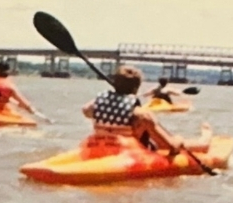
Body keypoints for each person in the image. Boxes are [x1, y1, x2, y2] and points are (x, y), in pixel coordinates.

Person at [82, 66, 211, 154]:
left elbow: (86, 110)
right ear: (136, 88)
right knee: (178, 141)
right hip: (129, 152)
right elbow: (168, 146)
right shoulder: (142, 116)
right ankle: (205, 141)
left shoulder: (95, 105)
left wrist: (111, 99)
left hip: (100, 148)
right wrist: (178, 140)